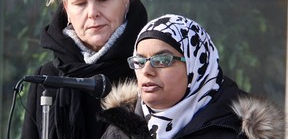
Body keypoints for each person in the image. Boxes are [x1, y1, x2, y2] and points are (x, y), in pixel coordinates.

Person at [21, 0, 147, 138]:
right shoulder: (47, 78)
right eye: (80, 3)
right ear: (67, 8)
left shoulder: (149, 69)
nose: (92, 12)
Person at [97, 14, 286, 139]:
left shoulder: (235, 132)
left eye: (163, 59)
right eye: (139, 60)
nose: (146, 70)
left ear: (196, 66)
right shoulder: (119, 129)